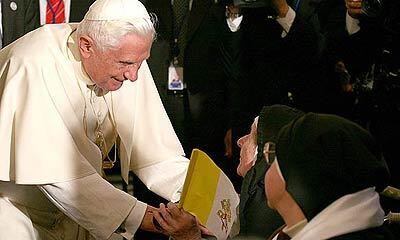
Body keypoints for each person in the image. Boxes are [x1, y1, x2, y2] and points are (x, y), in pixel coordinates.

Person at [0, 0, 190, 239]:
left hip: (83, 211)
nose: (134, 76)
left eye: (141, 63)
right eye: (127, 64)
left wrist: (201, 195)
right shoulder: (31, 64)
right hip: (16, 212)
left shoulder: (126, 56)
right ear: (86, 46)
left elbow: (155, 155)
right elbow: (63, 181)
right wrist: (152, 218)